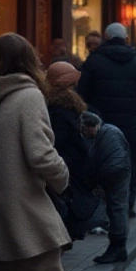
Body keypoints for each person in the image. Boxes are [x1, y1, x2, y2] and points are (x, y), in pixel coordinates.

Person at [0, 33, 106, 271]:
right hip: (24, 206)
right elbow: (41, 153)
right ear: (29, 59)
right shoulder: (29, 96)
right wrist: (63, 179)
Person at [76, 22, 136, 218]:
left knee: (102, 164)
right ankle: (128, 205)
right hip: (131, 123)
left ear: (106, 37)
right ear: (126, 38)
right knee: (131, 164)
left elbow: (82, 93)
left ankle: (104, 210)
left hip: (102, 123)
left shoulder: (94, 61)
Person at [44, 62, 98, 243]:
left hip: (68, 162)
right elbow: (60, 140)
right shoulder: (61, 108)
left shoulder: (58, 104)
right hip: (67, 163)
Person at [80, 112, 131, 264]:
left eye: (84, 130)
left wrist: (93, 183)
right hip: (120, 169)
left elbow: (95, 162)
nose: (84, 134)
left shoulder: (102, 136)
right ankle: (118, 246)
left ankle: (117, 247)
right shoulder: (110, 131)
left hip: (114, 172)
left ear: (90, 127)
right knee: (118, 207)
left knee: (116, 208)